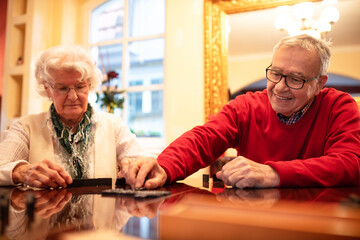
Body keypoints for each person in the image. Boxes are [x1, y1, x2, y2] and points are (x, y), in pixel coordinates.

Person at [122, 34, 360, 189]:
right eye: (275, 73)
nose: (279, 87)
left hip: (315, 223)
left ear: (319, 83)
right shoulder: (246, 105)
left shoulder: (340, 106)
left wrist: (272, 173)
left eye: (295, 79)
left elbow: (349, 163)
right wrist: (163, 166)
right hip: (252, 220)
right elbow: (204, 139)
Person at [0, 45, 158, 188]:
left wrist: (137, 167)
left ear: (89, 85)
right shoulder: (26, 128)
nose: (73, 96)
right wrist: (20, 171)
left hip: (100, 221)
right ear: (47, 89)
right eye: (62, 88)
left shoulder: (113, 125)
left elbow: (145, 164)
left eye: (80, 86)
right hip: (44, 218)